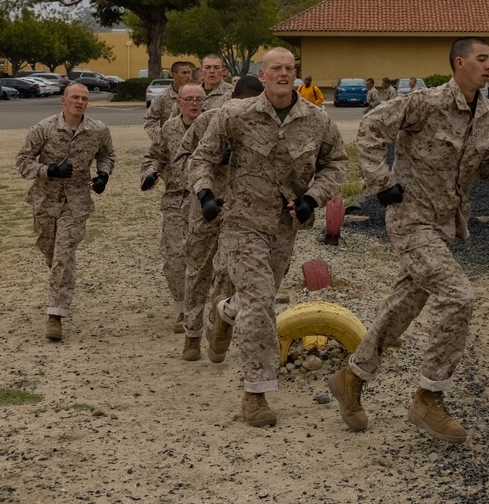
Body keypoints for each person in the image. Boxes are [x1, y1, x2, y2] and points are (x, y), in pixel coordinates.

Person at [329, 36, 489, 445]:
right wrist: (381, 183)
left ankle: (352, 377)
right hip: (411, 219)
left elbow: (488, 167)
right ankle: (429, 396)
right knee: (458, 296)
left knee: (404, 304)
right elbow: (369, 128)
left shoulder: (488, 113)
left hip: (445, 226)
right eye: (482, 58)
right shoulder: (426, 102)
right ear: (460, 63)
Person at [190, 48, 347, 427]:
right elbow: (202, 158)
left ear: (296, 75)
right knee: (261, 303)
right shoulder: (235, 114)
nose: (283, 73)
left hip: (284, 226)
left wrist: (312, 200)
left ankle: (226, 311)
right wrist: (205, 195)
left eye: (289, 68)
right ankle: (256, 393)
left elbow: (336, 163)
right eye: (275, 68)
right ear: (262, 76)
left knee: (255, 297)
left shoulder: (316, 121)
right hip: (242, 223)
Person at [16, 83, 116, 341]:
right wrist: (48, 170)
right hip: (46, 201)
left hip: (77, 201)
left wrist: (103, 175)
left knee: (64, 253)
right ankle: (61, 281)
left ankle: (55, 315)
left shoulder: (98, 130)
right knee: (50, 251)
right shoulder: (43, 128)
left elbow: (107, 155)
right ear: (64, 100)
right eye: (74, 97)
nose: (79, 102)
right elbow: (23, 161)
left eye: (84, 98)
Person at [177, 76, 265, 363]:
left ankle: (218, 328)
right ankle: (192, 334)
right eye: (243, 104)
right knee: (198, 270)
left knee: (229, 275)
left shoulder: (263, 125)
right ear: (232, 100)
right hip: (207, 207)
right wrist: (208, 180)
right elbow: (184, 160)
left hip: (241, 210)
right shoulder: (208, 121)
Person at [140, 83, 206, 334]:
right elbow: (154, 156)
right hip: (177, 200)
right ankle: (184, 308)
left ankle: (206, 306)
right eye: (189, 99)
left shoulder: (215, 126)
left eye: (199, 99)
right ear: (178, 102)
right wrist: (150, 173)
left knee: (204, 259)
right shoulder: (169, 129)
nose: (194, 104)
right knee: (175, 258)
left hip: (207, 201)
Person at [144, 61, 195, 143]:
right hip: (171, 145)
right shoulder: (163, 97)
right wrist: (159, 138)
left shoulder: (196, 95)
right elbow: (149, 120)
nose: (188, 76)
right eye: (184, 73)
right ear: (174, 75)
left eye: (189, 73)